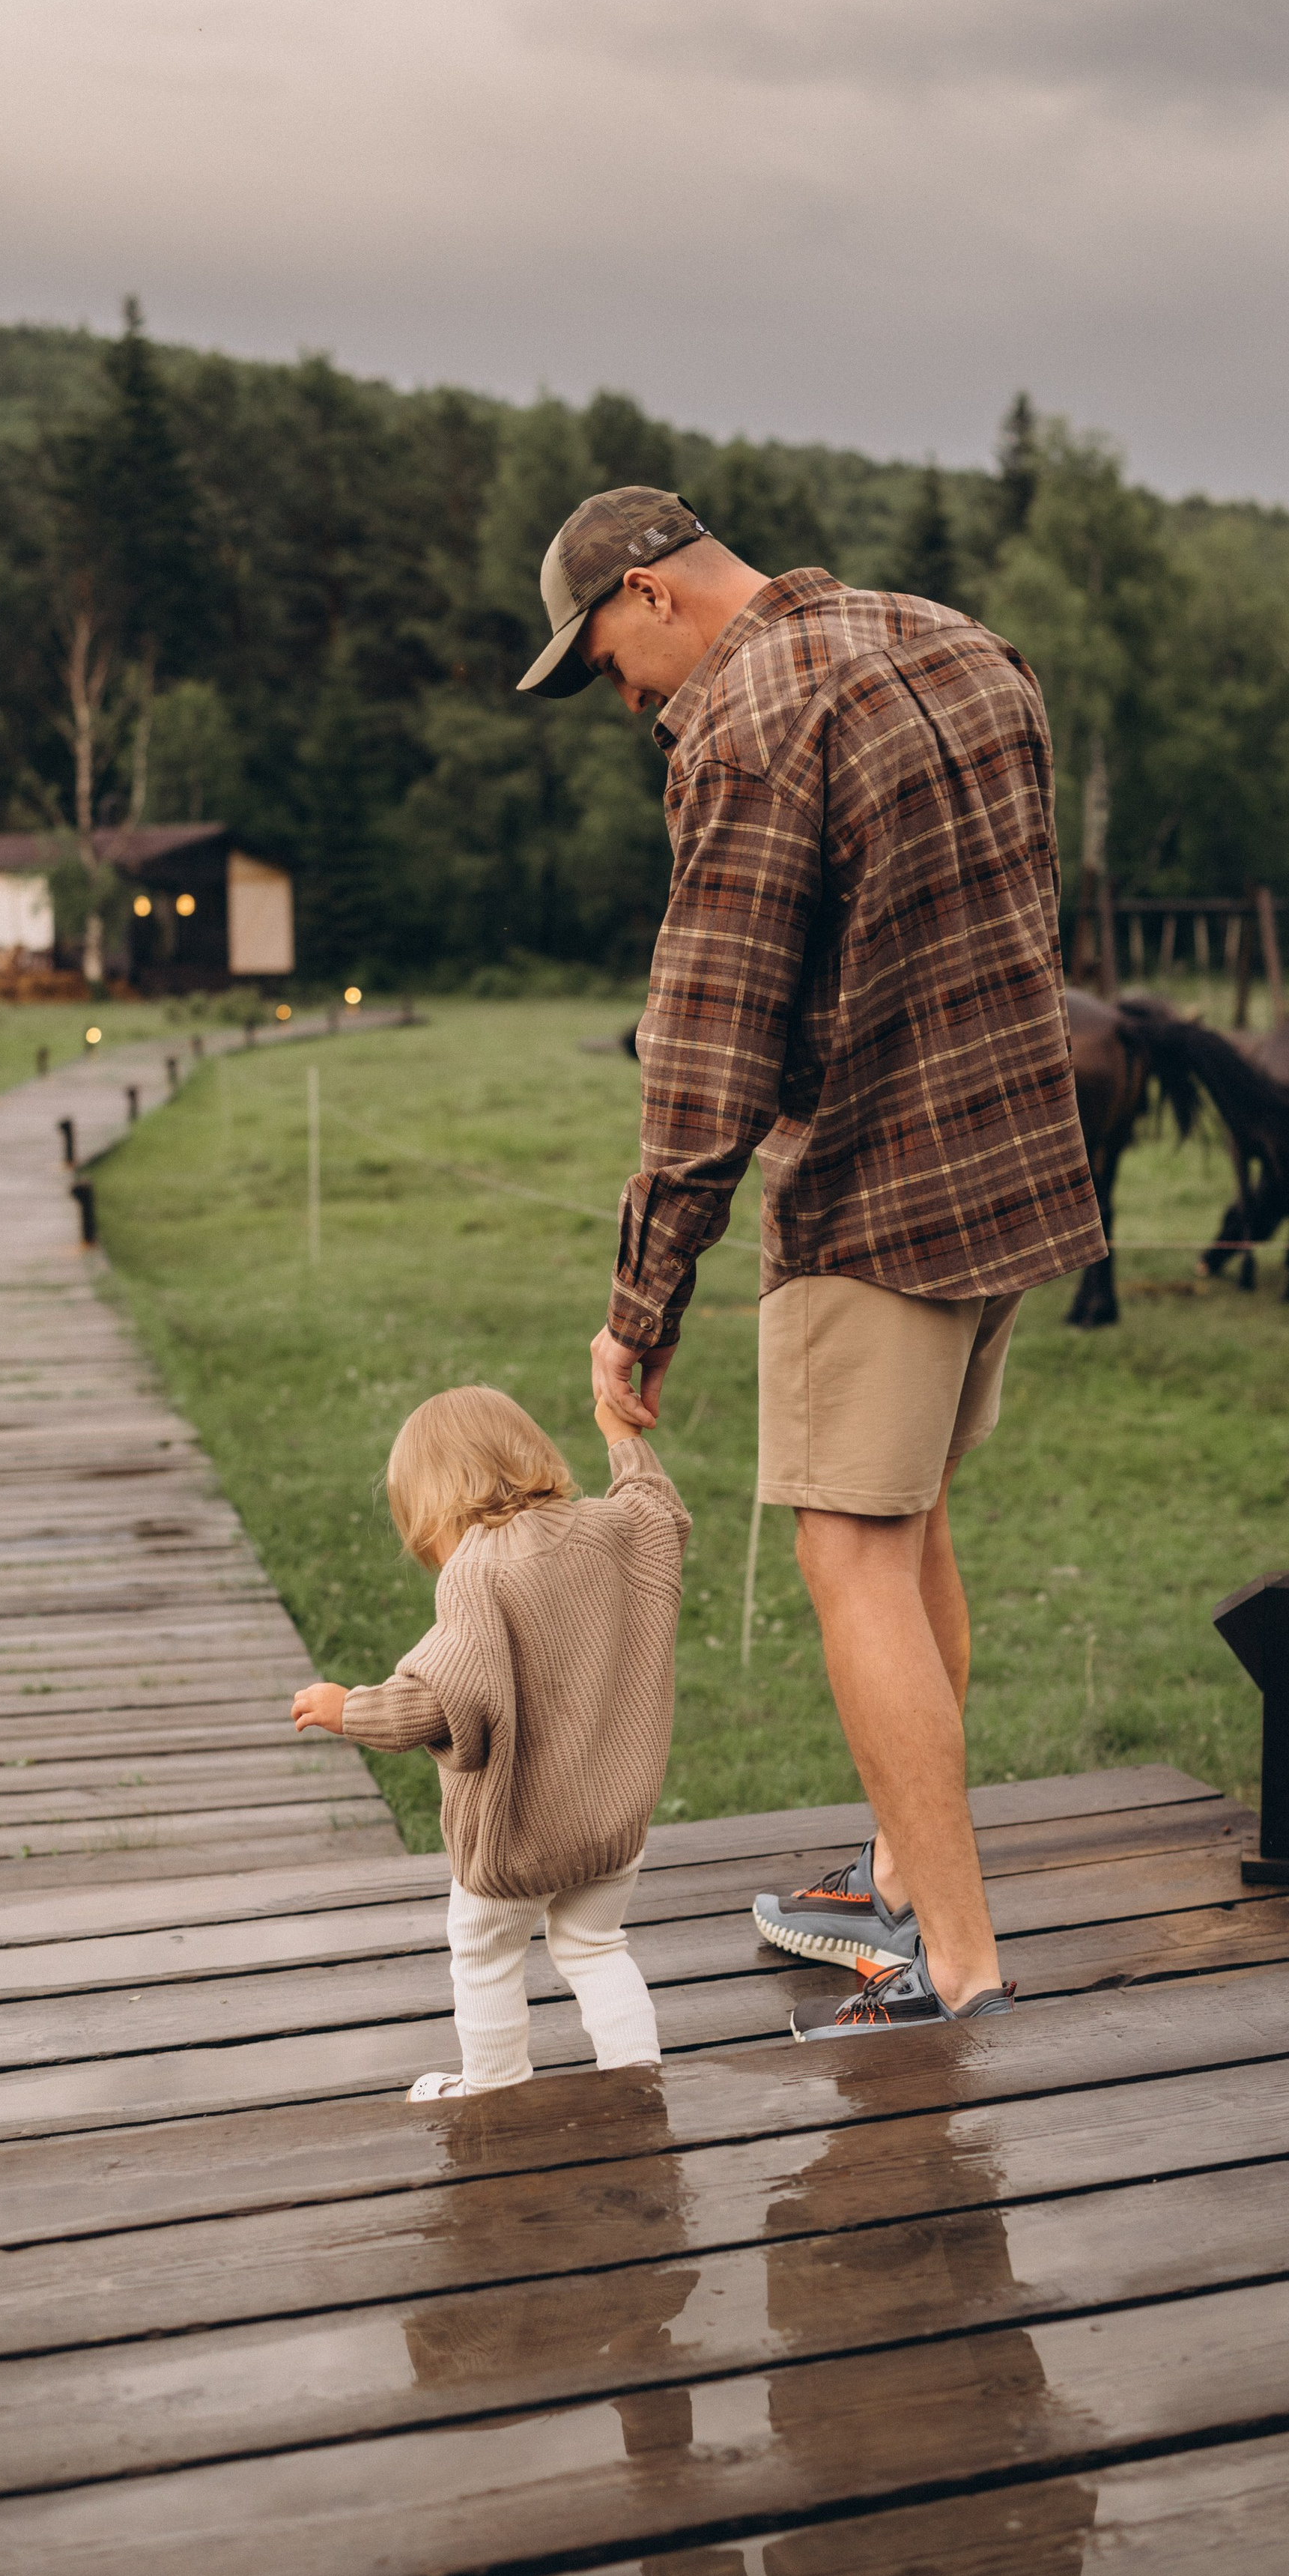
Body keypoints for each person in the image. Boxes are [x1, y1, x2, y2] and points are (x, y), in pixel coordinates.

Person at [518, 487, 1105, 2045]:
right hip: (1010, 1176)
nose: (622, 703)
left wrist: (637, 1306)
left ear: (648, 595)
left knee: (847, 1554)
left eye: (605, 665)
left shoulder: (745, 717)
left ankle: (953, 1963)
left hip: (872, 1195)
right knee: (906, 1531)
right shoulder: (959, 642)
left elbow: (706, 1049)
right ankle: (904, 1885)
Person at [291, 1382, 689, 2097]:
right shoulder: (607, 1530)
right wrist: (619, 1434)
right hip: (610, 1829)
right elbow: (660, 1512)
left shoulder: (477, 1574)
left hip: (517, 1840)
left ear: (436, 1505)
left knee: (484, 1957)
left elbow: (436, 1703)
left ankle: (495, 2092)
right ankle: (637, 2081)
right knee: (597, 1946)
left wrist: (348, 1709)